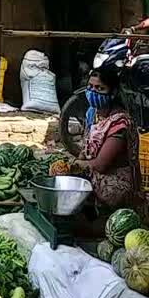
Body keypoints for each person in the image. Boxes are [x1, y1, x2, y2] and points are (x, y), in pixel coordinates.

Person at [52, 68, 145, 212]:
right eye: (90, 87)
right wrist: (69, 165)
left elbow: (100, 165)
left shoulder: (120, 123)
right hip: (96, 173)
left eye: (100, 88)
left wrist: (74, 165)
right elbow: (86, 149)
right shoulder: (93, 114)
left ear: (112, 93)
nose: (93, 92)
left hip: (116, 181)